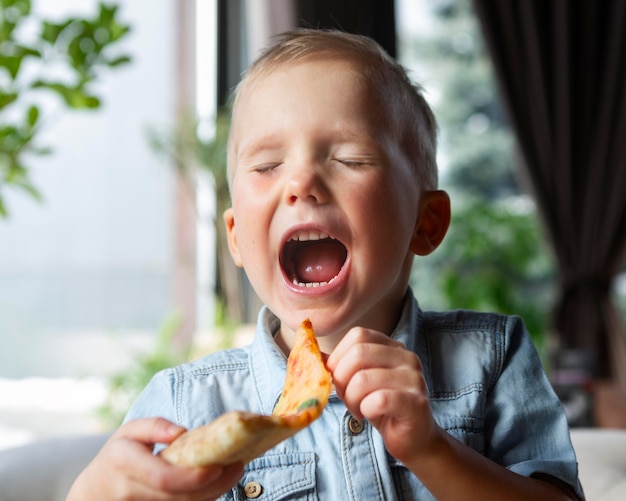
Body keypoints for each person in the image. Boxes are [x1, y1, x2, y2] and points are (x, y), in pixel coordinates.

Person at [68, 29, 584, 500]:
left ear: (425, 223)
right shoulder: (186, 405)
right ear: (237, 240)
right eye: (268, 166)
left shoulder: (491, 360)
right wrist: (94, 492)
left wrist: (431, 449)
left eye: (350, 160)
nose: (300, 184)